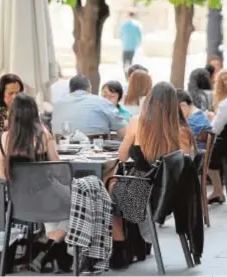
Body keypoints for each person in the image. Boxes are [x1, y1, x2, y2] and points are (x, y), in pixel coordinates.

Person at [108, 82, 195, 268]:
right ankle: (139, 245)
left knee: (109, 188)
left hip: (141, 196)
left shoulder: (136, 122)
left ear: (149, 101)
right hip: (170, 198)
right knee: (122, 185)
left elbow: (122, 156)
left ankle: (120, 247)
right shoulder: (180, 130)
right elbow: (189, 165)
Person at [0, 93, 72, 273]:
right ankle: (50, 249)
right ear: (34, 114)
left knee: (60, 207)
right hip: (46, 198)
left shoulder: (1, 139)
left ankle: (50, 251)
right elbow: (58, 168)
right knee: (83, 203)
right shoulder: (43, 135)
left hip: (19, 204)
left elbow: (3, 177)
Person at [52, 74, 127, 138]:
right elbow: (125, 132)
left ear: (70, 89)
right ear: (89, 88)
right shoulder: (103, 102)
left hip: (61, 151)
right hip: (96, 151)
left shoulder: (56, 105)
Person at [207, 69, 227, 204]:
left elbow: (216, 128)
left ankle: (218, 191)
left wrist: (211, 118)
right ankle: (218, 192)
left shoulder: (224, 104)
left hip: (224, 141)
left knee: (208, 160)